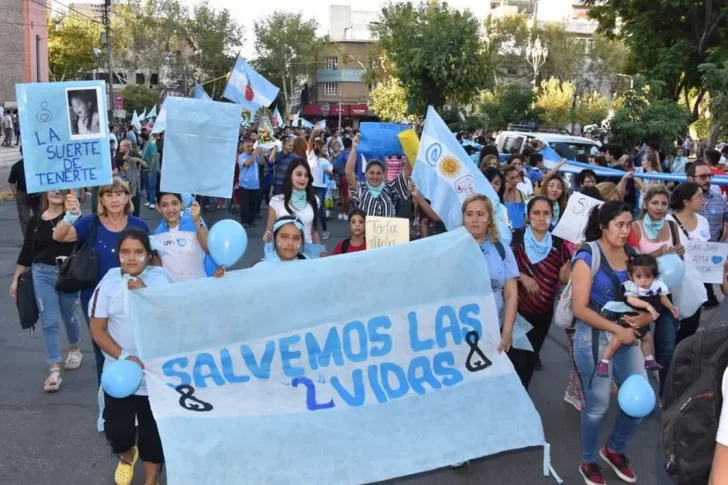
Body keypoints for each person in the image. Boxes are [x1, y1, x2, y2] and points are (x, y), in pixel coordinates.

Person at [572, 201, 655, 485]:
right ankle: (588, 460)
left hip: (629, 338)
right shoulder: (587, 255)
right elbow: (579, 308)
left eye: (629, 224)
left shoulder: (633, 254)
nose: (625, 230)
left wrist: (644, 316)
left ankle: (614, 449)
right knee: (597, 407)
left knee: (641, 401)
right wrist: (616, 331)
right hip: (594, 337)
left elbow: (645, 294)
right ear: (604, 225)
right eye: (619, 224)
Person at [89, 229, 172, 485]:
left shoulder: (161, 280)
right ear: (119, 255)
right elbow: (97, 329)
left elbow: (172, 320)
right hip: (120, 372)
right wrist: (124, 357)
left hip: (154, 374)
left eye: (138, 252)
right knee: (117, 431)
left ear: (148, 255)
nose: (132, 258)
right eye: (126, 252)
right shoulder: (109, 283)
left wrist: (144, 293)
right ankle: (127, 455)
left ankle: (150, 480)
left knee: (153, 432)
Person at [53, 178, 150, 385]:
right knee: (103, 352)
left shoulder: (138, 225)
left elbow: (153, 261)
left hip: (133, 298)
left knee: (136, 347)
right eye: (108, 194)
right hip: (95, 301)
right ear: (102, 200)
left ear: (127, 197)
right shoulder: (90, 223)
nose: (114, 199)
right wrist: (69, 216)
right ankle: (107, 401)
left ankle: (138, 395)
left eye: (118, 194)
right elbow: (59, 237)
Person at [9, 190, 81, 392]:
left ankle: (75, 348)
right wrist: (16, 277)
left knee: (69, 316)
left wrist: (74, 212)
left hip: (67, 274)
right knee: (49, 321)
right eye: (52, 188)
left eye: (61, 189)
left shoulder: (74, 218)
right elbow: (27, 251)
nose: (56, 191)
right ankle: (54, 369)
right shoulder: (35, 221)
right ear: (45, 192)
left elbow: (81, 241)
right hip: (42, 274)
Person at [510, 196, 571, 388]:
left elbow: (563, 278)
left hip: (544, 314)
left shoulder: (559, 244)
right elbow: (503, 269)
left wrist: (575, 257)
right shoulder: (515, 239)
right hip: (517, 312)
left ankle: (522, 403)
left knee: (530, 360)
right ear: (528, 216)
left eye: (546, 213)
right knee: (516, 360)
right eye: (536, 213)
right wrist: (522, 276)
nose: (541, 218)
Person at [598, 254, 678, 377]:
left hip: (642, 323)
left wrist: (671, 307)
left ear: (654, 276)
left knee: (647, 339)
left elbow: (662, 297)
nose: (643, 281)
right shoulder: (631, 286)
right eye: (639, 277)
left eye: (648, 277)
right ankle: (604, 362)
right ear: (631, 276)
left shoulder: (656, 286)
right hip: (627, 319)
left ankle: (649, 360)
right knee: (616, 341)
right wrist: (647, 305)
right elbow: (631, 300)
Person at [666, 182, 711, 345]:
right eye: (699, 196)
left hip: (696, 282)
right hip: (673, 284)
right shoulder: (668, 222)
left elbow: (708, 250)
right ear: (686, 201)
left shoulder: (703, 221)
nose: (703, 199)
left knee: (691, 326)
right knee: (669, 329)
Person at [153, 193, 224, 282]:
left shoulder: (194, 224)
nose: (170, 209)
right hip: (173, 292)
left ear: (181, 204)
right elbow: (158, 269)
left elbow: (209, 249)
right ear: (158, 208)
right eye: (164, 205)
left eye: (175, 203)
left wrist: (197, 222)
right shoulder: (157, 234)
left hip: (198, 288)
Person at [345, 133, 411, 217]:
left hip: (388, 229)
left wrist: (407, 151)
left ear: (384, 175)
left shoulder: (390, 188)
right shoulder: (361, 188)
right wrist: (354, 148)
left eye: (379, 173)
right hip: (366, 230)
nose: (375, 176)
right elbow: (348, 172)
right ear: (366, 174)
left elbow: (406, 172)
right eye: (371, 173)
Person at [264, 158, 321, 245]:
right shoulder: (276, 201)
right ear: (290, 175)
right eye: (299, 174)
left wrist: (318, 250)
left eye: (306, 175)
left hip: (307, 254)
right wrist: (266, 238)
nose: (303, 179)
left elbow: (313, 231)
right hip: (283, 253)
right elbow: (269, 232)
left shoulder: (314, 200)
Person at [307, 130, 334, 240]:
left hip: (322, 187)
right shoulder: (311, 156)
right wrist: (313, 134)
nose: (325, 149)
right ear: (319, 147)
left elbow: (332, 174)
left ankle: (324, 230)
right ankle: (311, 230)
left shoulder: (326, 161)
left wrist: (328, 172)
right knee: (311, 207)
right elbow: (309, 143)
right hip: (310, 185)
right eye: (324, 148)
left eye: (326, 148)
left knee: (319, 208)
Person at [8, 152, 41, 238]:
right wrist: (17, 195)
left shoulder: (38, 164)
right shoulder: (16, 166)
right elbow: (12, 182)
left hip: (37, 193)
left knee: (39, 216)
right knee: (24, 218)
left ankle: (39, 237)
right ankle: (28, 239)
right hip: (22, 193)